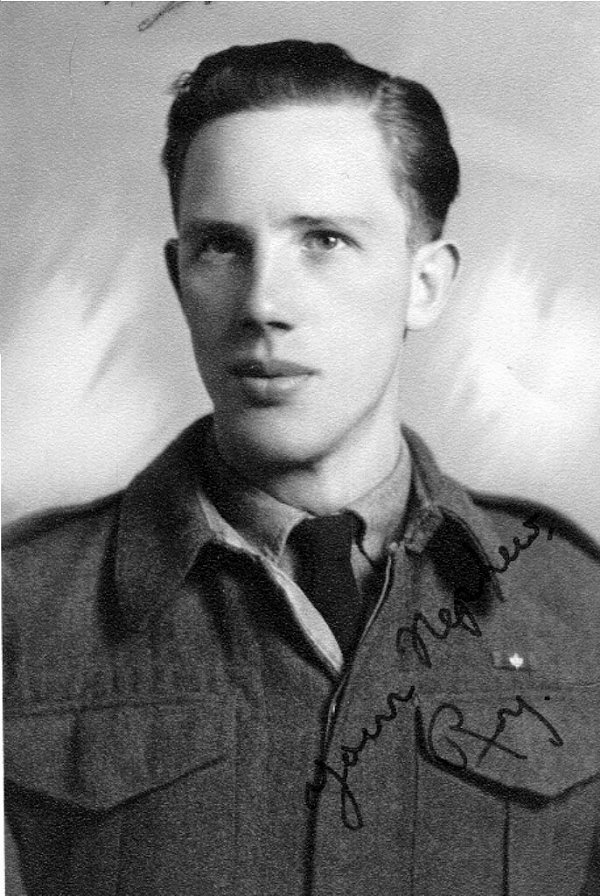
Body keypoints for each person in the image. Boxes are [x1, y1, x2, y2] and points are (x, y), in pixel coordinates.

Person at [3, 40, 600, 896]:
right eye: (221, 246)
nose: (263, 305)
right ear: (177, 277)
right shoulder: (21, 611)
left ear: (425, 284)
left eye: (323, 239)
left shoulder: (579, 609)